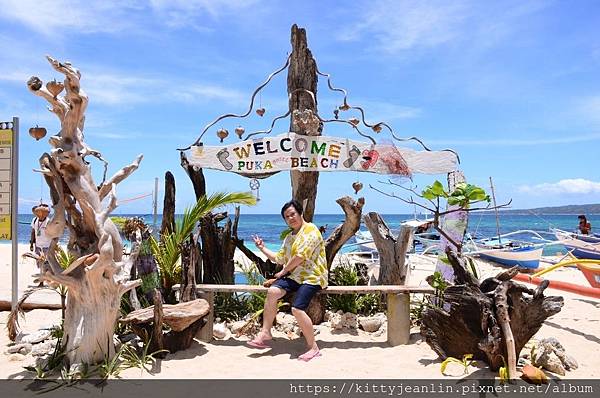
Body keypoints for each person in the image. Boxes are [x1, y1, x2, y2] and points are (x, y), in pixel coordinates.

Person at [250, 199, 327, 362]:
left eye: (293, 214)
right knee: (272, 292)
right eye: (287, 216)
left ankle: (313, 348)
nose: (290, 218)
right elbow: (279, 258)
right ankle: (266, 334)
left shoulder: (311, 230)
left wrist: (283, 272)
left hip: (313, 276)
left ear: (300, 213)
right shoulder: (290, 237)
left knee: (297, 309)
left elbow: (300, 256)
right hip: (295, 277)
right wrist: (261, 247)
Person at [30, 204, 52, 280]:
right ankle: (44, 277)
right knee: (39, 263)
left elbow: (53, 234)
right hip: (38, 245)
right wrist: (31, 244)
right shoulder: (34, 220)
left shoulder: (49, 221)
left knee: (45, 263)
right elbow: (33, 232)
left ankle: (43, 280)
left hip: (47, 245)